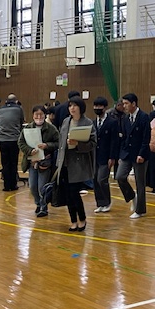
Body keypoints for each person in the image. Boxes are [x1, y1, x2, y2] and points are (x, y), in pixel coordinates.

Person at [56, 96, 96, 231]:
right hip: (65, 162)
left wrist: (78, 144)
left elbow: (93, 143)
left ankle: (82, 219)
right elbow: (61, 142)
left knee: (74, 193)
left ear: (80, 107)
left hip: (78, 163)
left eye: (74, 105)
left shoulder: (87, 122)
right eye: (70, 106)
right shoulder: (66, 121)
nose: (72, 108)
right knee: (68, 194)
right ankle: (73, 220)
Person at [19, 105, 59, 217]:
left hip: (45, 162)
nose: (39, 117)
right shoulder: (27, 128)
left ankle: (43, 206)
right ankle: (38, 203)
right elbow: (21, 142)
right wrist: (29, 151)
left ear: (45, 115)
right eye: (36, 114)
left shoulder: (51, 129)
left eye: (41, 114)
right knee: (32, 186)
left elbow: (58, 142)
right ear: (33, 115)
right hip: (32, 162)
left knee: (42, 186)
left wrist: (47, 145)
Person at [116, 93, 150, 219]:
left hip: (140, 154)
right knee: (120, 176)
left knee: (140, 183)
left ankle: (140, 210)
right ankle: (131, 196)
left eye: (126, 103)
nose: (124, 106)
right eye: (123, 103)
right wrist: (121, 154)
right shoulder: (125, 118)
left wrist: (141, 154)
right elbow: (124, 137)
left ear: (134, 104)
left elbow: (146, 138)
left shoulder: (144, 117)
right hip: (127, 153)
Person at [92, 97, 120, 212]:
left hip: (106, 156)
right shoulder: (93, 122)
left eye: (100, 106)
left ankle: (107, 202)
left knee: (102, 179)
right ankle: (100, 203)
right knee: (95, 179)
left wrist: (112, 157)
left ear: (105, 107)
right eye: (95, 106)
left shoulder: (112, 122)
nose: (97, 108)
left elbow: (115, 141)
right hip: (94, 156)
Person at [0, 94, 24, 192]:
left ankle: (6, 185)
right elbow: (21, 121)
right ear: (16, 101)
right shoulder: (19, 109)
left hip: (2, 139)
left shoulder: (0, 109)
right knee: (13, 162)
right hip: (14, 139)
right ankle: (13, 184)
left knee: (5, 163)